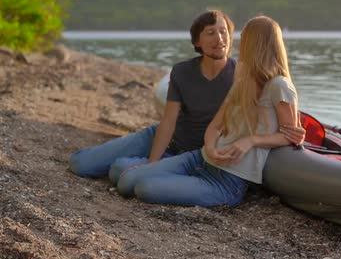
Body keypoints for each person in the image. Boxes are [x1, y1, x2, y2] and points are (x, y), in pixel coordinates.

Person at [116, 16, 300, 207]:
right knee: (126, 181)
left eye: (244, 38)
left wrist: (251, 140)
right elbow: (215, 126)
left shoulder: (280, 86)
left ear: (257, 43)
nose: (237, 43)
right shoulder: (243, 82)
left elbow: (290, 136)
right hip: (201, 159)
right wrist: (211, 148)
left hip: (227, 180)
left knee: (144, 188)